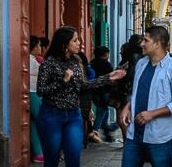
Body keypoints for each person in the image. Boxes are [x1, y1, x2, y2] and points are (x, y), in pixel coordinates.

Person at [36, 27, 126, 167]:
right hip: (51, 115)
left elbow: (82, 85)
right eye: (75, 40)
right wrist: (63, 81)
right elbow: (41, 91)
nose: (79, 43)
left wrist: (108, 78)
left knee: (73, 160)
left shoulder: (76, 60)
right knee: (52, 160)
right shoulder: (49, 63)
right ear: (64, 43)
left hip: (73, 115)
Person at [120, 26, 172, 167]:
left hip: (160, 137)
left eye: (146, 40)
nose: (142, 44)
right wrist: (128, 106)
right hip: (135, 134)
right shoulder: (141, 64)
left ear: (157, 44)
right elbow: (138, 91)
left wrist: (152, 114)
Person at [91, 46, 117, 141]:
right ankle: (93, 133)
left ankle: (106, 133)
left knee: (105, 112)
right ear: (105, 54)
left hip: (94, 92)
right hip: (104, 92)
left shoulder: (92, 63)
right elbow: (111, 78)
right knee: (101, 112)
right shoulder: (107, 64)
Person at [29, 35, 44, 162]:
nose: (40, 48)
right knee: (45, 121)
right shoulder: (29, 60)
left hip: (34, 92)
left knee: (34, 124)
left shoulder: (32, 59)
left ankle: (38, 153)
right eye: (38, 45)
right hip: (32, 92)